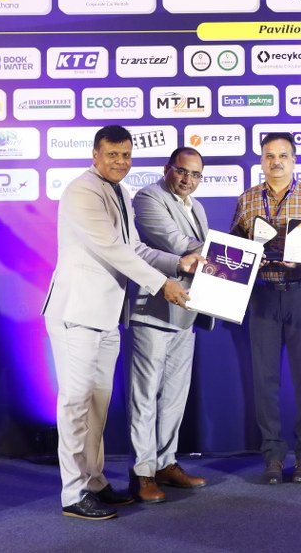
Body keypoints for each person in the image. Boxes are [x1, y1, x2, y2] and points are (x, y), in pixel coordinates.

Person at [42, 126, 200, 521]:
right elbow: (113, 250)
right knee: (76, 405)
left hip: (107, 316)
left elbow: (136, 249)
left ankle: (94, 483)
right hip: (77, 314)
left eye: (126, 155)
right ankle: (73, 493)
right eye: (112, 154)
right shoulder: (82, 191)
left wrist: (179, 264)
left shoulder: (121, 193)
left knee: (97, 408)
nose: (120, 161)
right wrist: (163, 284)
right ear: (95, 155)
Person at [230, 132, 301, 484]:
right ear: (261, 161)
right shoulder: (246, 200)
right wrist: (248, 260)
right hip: (262, 295)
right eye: (270, 156)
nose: (276, 162)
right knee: (265, 380)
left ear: (294, 160)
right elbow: (234, 248)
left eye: (283, 155)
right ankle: (273, 456)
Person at [127, 147, 213, 504]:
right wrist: (237, 254)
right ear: (167, 169)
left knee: (175, 395)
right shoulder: (148, 197)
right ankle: (143, 471)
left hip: (186, 311)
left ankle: (165, 463)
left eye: (195, 175)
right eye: (182, 171)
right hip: (153, 309)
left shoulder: (197, 207)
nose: (188, 180)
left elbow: (201, 255)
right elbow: (178, 245)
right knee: (145, 395)